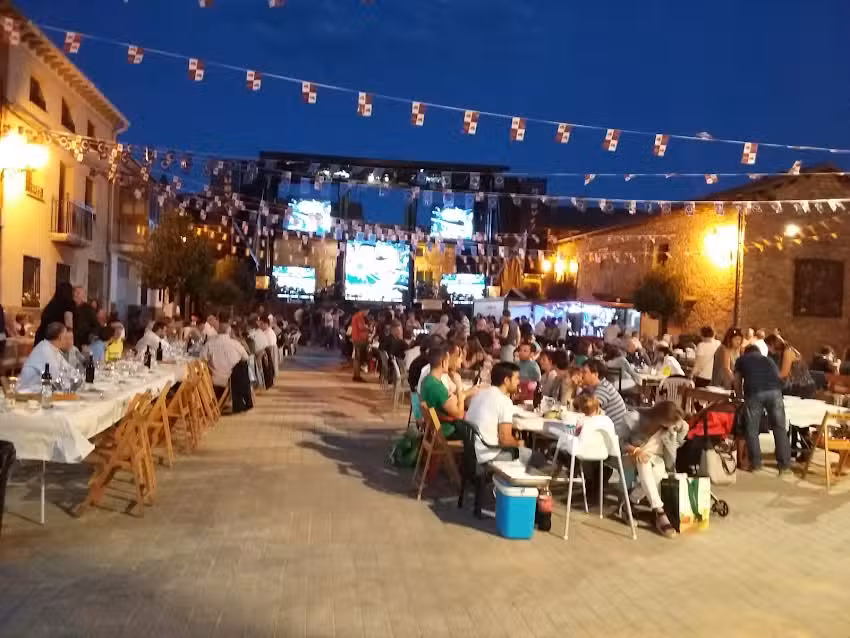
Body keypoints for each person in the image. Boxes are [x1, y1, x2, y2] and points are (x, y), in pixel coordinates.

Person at [623, 401, 688, 538]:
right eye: (668, 423)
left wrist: (676, 440)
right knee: (644, 462)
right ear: (660, 417)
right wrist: (636, 450)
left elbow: (684, 427)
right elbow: (620, 442)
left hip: (656, 458)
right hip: (633, 456)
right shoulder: (637, 418)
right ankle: (659, 512)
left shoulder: (673, 424)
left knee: (657, 473)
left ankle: (628, 504)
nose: (670, 426)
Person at [466, 362, 544, 467]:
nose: (519, 382)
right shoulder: (504, 401)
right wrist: (518, 443)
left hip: (473, 452)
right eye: (517, 378)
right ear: (507, 381)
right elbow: (505, 439)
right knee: (538, 458)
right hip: (490, 455)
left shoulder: (479, 394)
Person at [734, 344, 792, 474]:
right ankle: (785, 466)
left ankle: (756, 464)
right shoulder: (768, 359)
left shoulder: (741, 360)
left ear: (745, 352)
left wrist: (739, 396)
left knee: (752, 429)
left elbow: (737, 380)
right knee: (779, 428)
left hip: (754, 393)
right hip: (775, 392)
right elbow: (778, 376)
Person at [201, 322, 253, 413]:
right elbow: (246, 358)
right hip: (233, 380)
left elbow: (201, 360)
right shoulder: (235, 344)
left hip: (213, 379)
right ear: (229, 331)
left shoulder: (209, 344)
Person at [419, 346, 466, 439]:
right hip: (446, 430)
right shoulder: (437, 387)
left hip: (434, 427)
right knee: (477, 429)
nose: (448, 365)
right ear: (443, 363)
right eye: (447, 361)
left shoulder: (426, 381)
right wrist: (459, 388)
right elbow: (459, 415)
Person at [18, 322, 76, 391]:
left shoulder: (52, 348)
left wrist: (76, 378)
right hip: (29, 393)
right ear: (60, 337)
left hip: (42, 391)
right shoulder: (45, 351)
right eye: (65, 336)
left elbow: (69, 370)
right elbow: (56, 379)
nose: (67, 340)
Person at [580, 358, 629, 439]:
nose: (581, 375)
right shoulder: (595, 387)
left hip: (615, 435)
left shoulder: (603, 389)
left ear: (595, 374)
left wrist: (576, 387)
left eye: (584, 372)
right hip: (606, 430)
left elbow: (587, 409)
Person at [350, 307, 371, 382]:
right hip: (359, 340)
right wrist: (368, 328)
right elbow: (361, 327)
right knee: (358, 358)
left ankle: (356, 375)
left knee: (357, 359)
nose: (367, 314)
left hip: (356, 339)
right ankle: (357, 376)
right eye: (367, 312)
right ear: (364, 310)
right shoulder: (359, 317)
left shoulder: (355, 316)